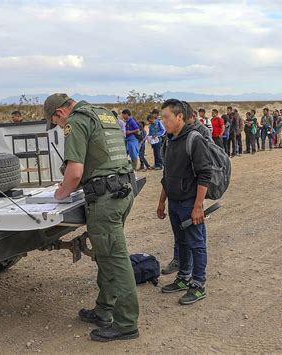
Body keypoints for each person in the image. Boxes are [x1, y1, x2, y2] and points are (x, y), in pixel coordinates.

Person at [44, 93, 139, 342]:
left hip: (106, 199)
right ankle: (103, 310)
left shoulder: (76, 122)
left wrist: (60, 193)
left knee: (114, 259)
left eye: (56, 123)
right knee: (106, 255)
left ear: (60, 113)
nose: (60, 127)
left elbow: (75, 173)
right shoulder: (103, 113)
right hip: (123, 190)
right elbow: (101, 158)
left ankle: (126, 324)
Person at [157, 99, 211, 305]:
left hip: (190, 203)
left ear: (179, 117)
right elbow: (167, 174)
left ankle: (198, 284)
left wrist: (198, 206)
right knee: (181, 242)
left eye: (166, 117)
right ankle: (183, 277)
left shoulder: (194, 140)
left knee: (196, 244)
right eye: (162, 117)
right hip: (174, 203)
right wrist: (162, 202)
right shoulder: (169, 141)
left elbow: (204, 174)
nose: (164, 122)